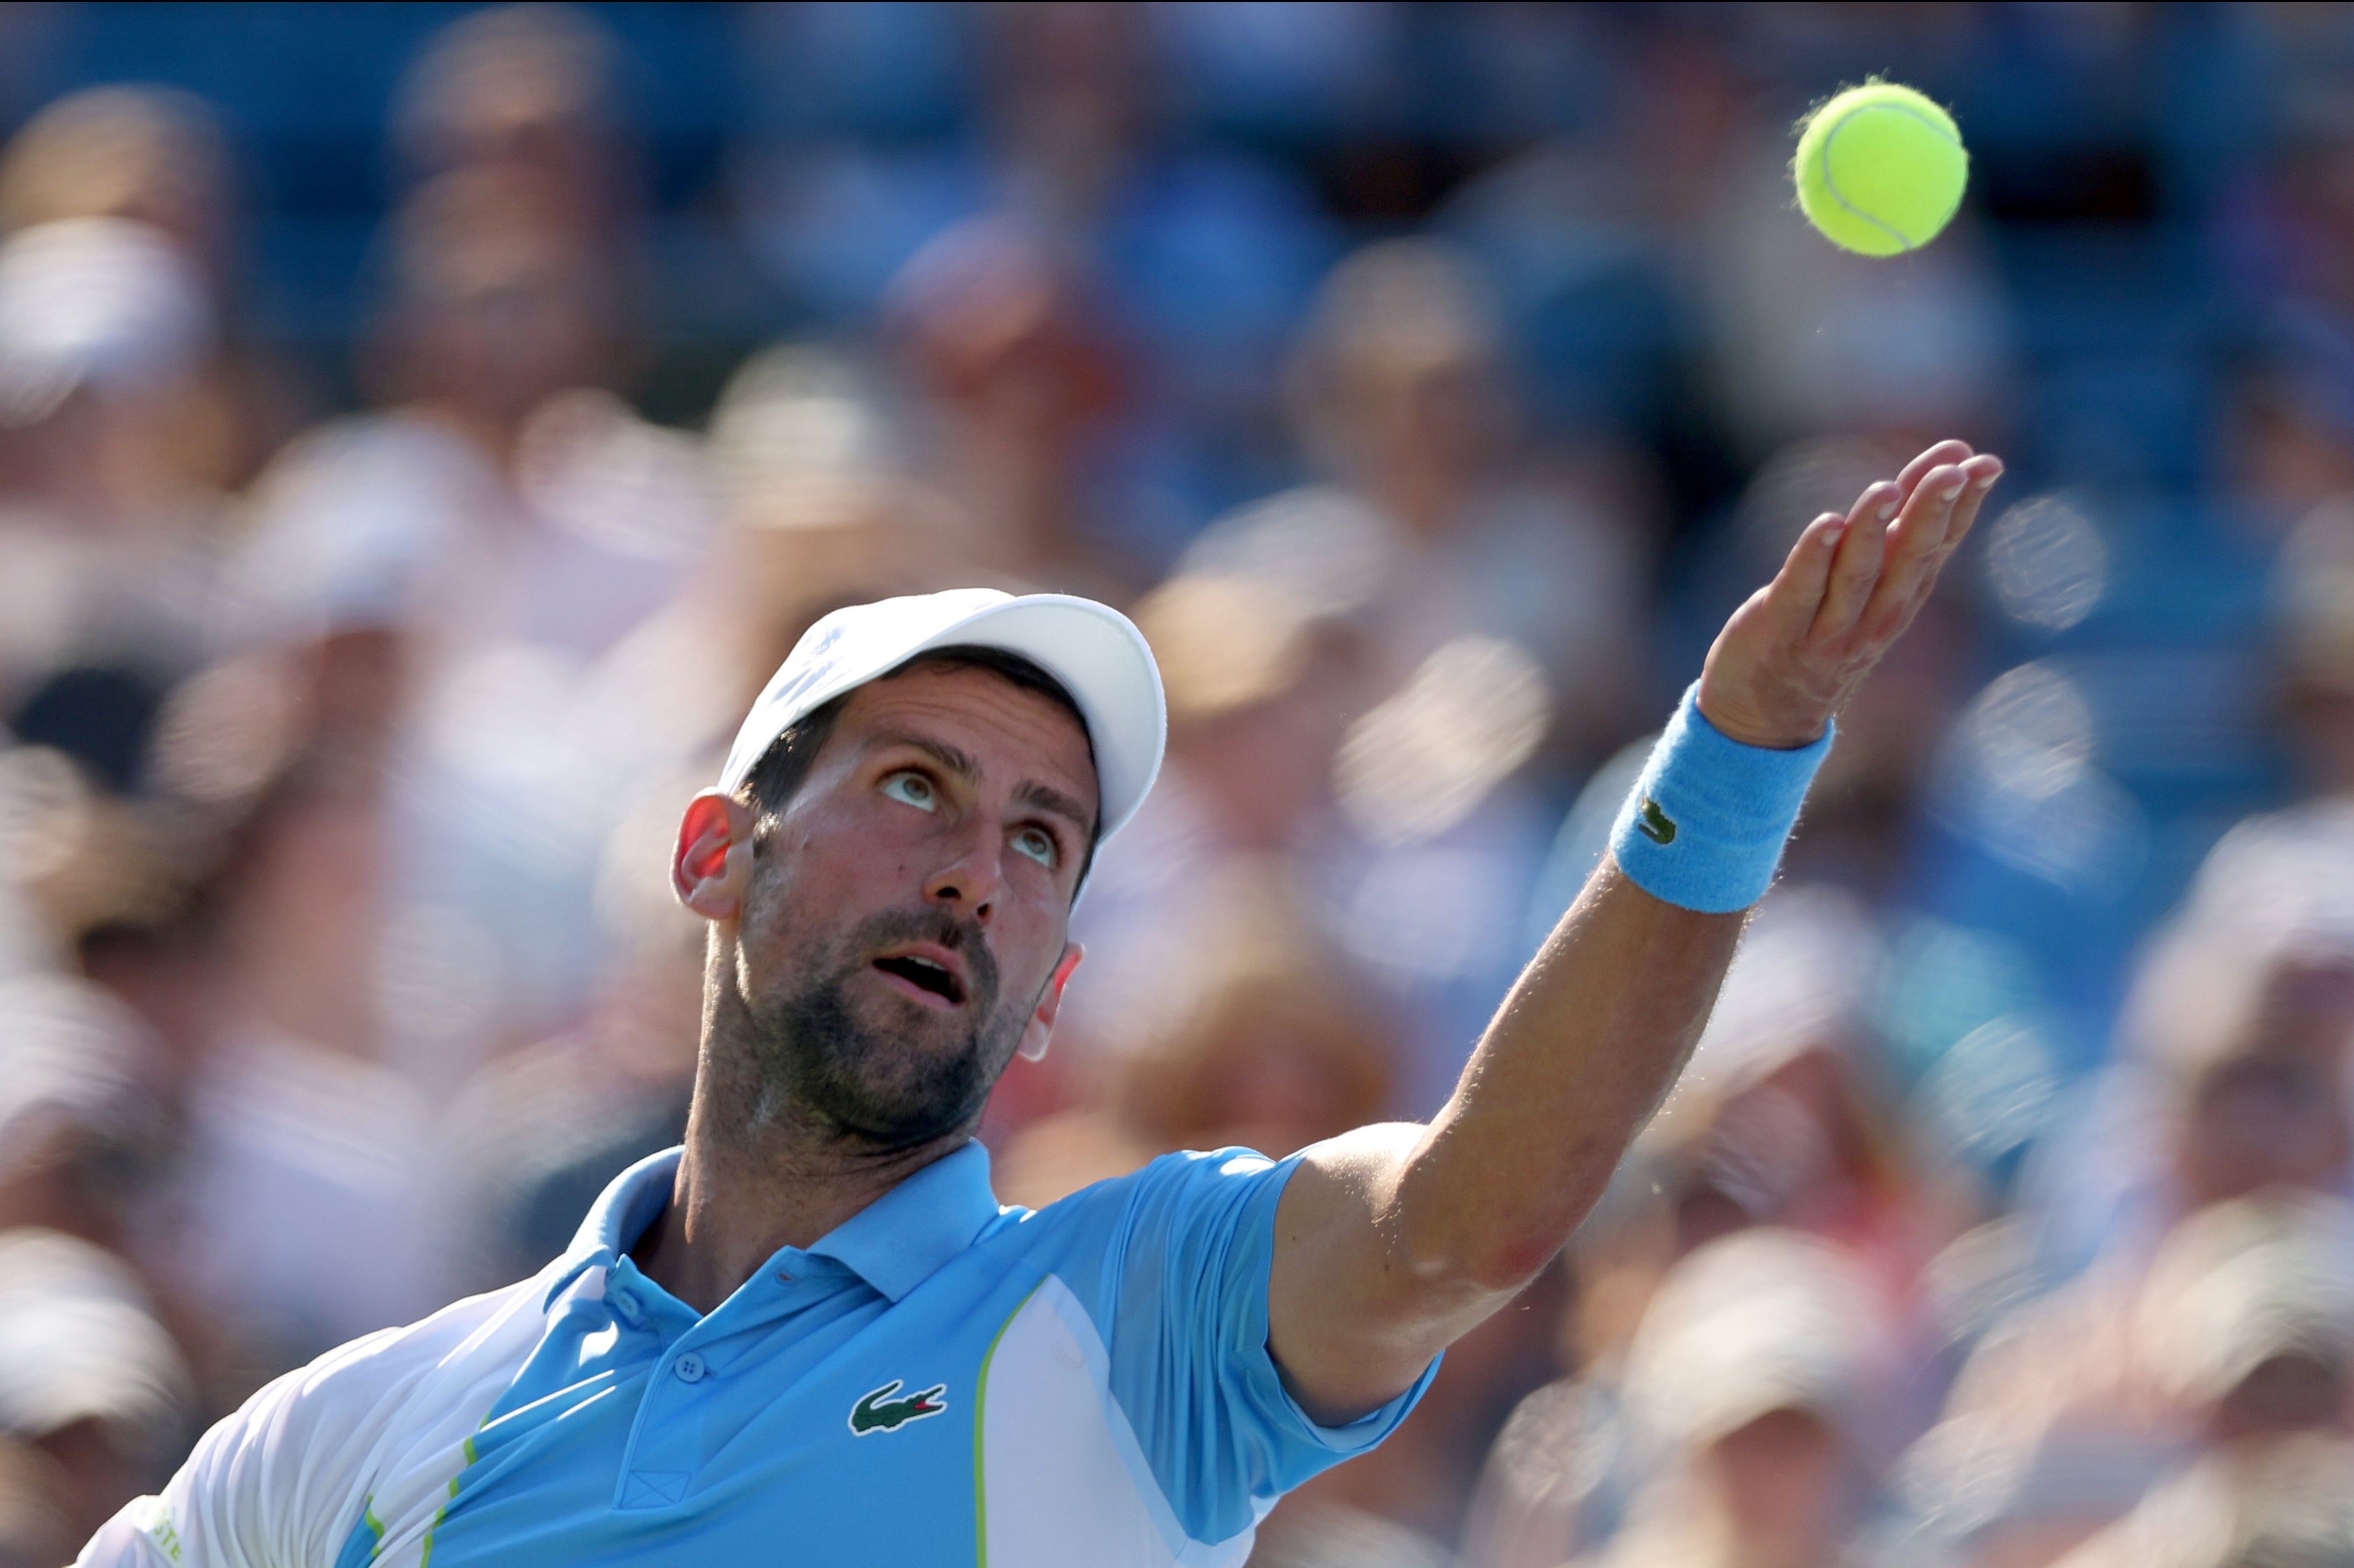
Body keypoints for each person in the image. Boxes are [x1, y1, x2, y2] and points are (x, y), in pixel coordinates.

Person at [75, 438, 2004, 1566]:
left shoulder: (1129, 1314)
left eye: (1041, 841)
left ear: (1056, 988)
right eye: (915, 785)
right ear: (713, 857)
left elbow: (1481, 1209)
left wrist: (1742, 750)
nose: (976, 868)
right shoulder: (361, 1437)